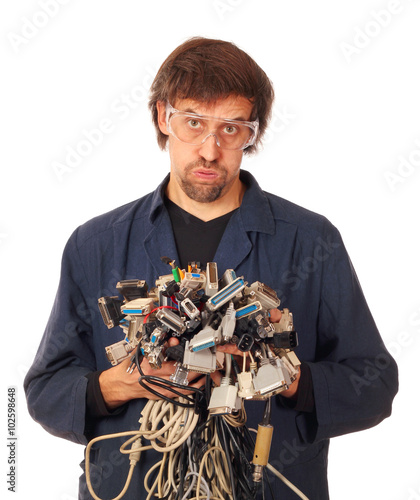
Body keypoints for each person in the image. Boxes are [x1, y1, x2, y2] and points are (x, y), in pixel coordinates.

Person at [24, 37, 398, 500]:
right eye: (194, 122)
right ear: (164, 117)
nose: (209, 150)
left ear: (252, 133)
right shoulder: (94, 244)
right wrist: (122, 383)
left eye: (231, 128)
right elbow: (44, 389)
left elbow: (375, 383)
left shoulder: (310, 240)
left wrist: (282, 375)